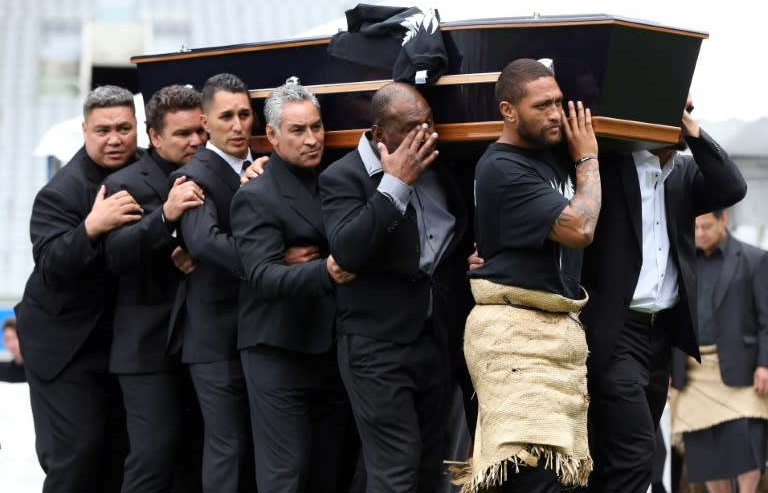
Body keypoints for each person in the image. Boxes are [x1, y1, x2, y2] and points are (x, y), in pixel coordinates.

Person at [579, 94, 747, 492]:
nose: (680, 117)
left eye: (686, 109)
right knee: (638, 456)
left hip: (661, 338)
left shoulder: (685, 174)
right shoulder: (612, 166)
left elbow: (732, 187)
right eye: (675, 109)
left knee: (623, 456)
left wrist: (690, 126)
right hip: (616, 333)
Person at [319, 82, 472, 492]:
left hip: (432, 340)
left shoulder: (442, 171)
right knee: (395, 466)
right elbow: (348, 250)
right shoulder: (343, 176)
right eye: (411, 128)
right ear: (378, 135)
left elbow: (446, 244)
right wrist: (395, 185)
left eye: (429, 123)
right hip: (375, 345)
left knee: (428, 463)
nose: (425, 135)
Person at [457, 58, 600, 492]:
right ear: (508, 111)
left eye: (559, 102)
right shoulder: (503, 166)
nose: (557, 114)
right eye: (542, 105)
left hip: (554, 337)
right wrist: (588, 158)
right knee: (533, 477)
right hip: (515, 340)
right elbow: (580, 228)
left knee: (553, 479)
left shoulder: (548, 158)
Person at [14, 85, 144, 493]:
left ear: (138, 129)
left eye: (123, 127)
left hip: (118, 342)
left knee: (117, 454)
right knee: (75, 456)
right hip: (63, 347)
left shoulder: (147, 168)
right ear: (85, 130)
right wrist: (91, 227)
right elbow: (51, 264)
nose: (114, 138)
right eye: (103, 129)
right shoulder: (61, 192)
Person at [231, 81, 355, 492]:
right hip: (277, 349)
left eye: (316, 127)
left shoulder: (335, 177)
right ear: (271, 136)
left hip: (328, 347)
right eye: (298, 130)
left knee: (328, 467)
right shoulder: (257, 193)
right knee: (286, 473)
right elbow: (262, 276)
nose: (312, 139)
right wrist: (326, 271)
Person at [102, 84, 207, 493]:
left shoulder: (218, 169)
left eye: (200, 130)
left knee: (198, 458)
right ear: (155, 136)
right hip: (146, 349)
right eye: (183, 134)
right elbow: (118, 254)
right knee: (153, 457)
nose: (196, 140)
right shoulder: (123, 183)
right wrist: (166, 218)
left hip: (205, 345)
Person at [168, 73, 254, 493]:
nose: (237, 125)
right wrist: (273, 261)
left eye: (244, 114)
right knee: (227, 449)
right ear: (206, 122)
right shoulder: (194, 175)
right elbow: (203, 241)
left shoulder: (265, 166)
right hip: (214, 338)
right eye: (226, 117)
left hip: (258, 332)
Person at [670, 209, 768, 493]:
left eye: (707, 226)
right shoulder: (680, 261)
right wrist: (665, 370)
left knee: (745, 440)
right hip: (691, 369)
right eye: (696, 227)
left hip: (743, 367)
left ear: (724, 219)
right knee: (704, 451)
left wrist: (765, 364)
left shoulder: (754, 259)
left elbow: (767, 318)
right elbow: (670, 318)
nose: (700, 233)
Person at [0, 317, 25, 383]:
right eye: (8, 339)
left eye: (15, 338)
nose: (12, 344)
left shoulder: (35, 370)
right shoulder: (4, 371)